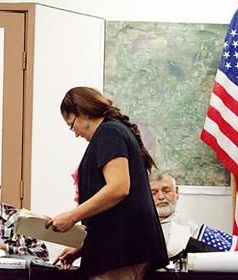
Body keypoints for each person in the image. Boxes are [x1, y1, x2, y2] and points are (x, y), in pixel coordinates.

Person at [46, 87, 168, 280]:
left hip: (121, 250)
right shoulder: (115, 131)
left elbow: (118, 187)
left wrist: (71, 217)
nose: (75, 133)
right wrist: (85, 247)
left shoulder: (108, 132)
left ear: (84, 113)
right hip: (120, 248)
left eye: (72, 125)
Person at [149, 170, 199, 256]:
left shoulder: (192, 230)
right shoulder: (138, 228)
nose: (161, 197)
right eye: (154, 193)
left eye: (166, 191)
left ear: (176, 192)